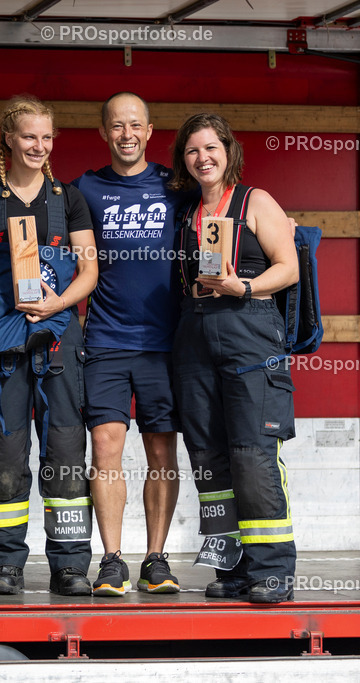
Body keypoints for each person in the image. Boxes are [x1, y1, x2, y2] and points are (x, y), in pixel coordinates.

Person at [169, 112, 298, 604]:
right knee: (208, 459)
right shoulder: (186, 211)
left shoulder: (255, 201)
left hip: (249, 329)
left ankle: (272, 572)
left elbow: (287, 269)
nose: (203, 158)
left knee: (252, 455)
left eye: (211, 148)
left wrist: (242, 284)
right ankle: (232, 568)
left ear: (228, 152)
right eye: (192, 150)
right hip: (194, 334)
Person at [0, 96, 98, 596]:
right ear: (8, 138)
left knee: (66, 450)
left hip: (59, 339)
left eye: (47, 138)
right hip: (2, 343)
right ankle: (5, 565)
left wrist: (56, 305)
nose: (39, 146)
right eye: (29, 136)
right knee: (4, 454)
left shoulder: (68, 199)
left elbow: (89, 269)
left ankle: (69, 565)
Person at [70, 92, 186, 596]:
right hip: (106, 341)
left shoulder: (175, 186)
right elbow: (38, 209)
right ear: (104, 131)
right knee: (105, 449)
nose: (127, 134)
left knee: (162, 451)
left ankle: (156, 560)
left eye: (135, 125)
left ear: (150, 129)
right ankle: (112, 561)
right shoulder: (84, 189)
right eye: (117, 126)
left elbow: (223, 207)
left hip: (167, 345)